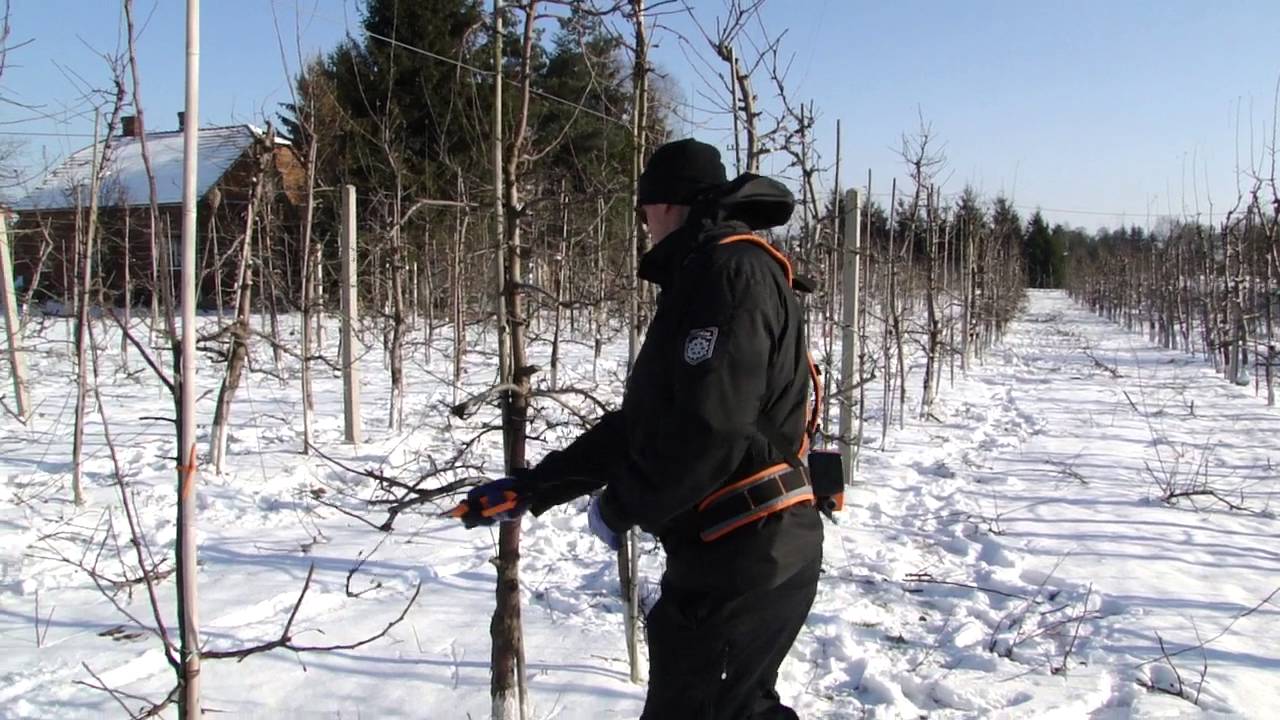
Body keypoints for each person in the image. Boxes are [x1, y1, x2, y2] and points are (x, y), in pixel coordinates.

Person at [458, 138, 823, 720]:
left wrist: (626, 503)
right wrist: (536, 487)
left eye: (644, 207)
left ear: (667, 204)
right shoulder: (708, 272)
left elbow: (713, 427)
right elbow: (647, 425)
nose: (643, 222)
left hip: (750, 550)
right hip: (736, 549)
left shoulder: (729, 273)